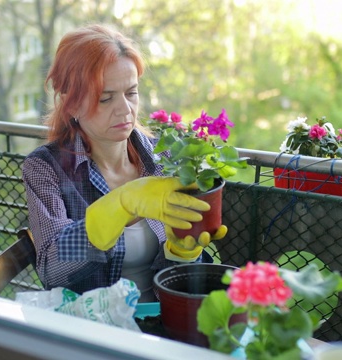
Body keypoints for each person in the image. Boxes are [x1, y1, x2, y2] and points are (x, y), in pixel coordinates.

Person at [22, 24, 226, 302]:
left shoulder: (165, 159)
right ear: (71, 104)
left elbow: (186, 280)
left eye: (131, 93)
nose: (125, 109)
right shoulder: (46, 168)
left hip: (161, 319)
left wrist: (181, 253)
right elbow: (51, 269)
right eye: (105, 98)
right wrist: (120, 206)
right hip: (95, 328)